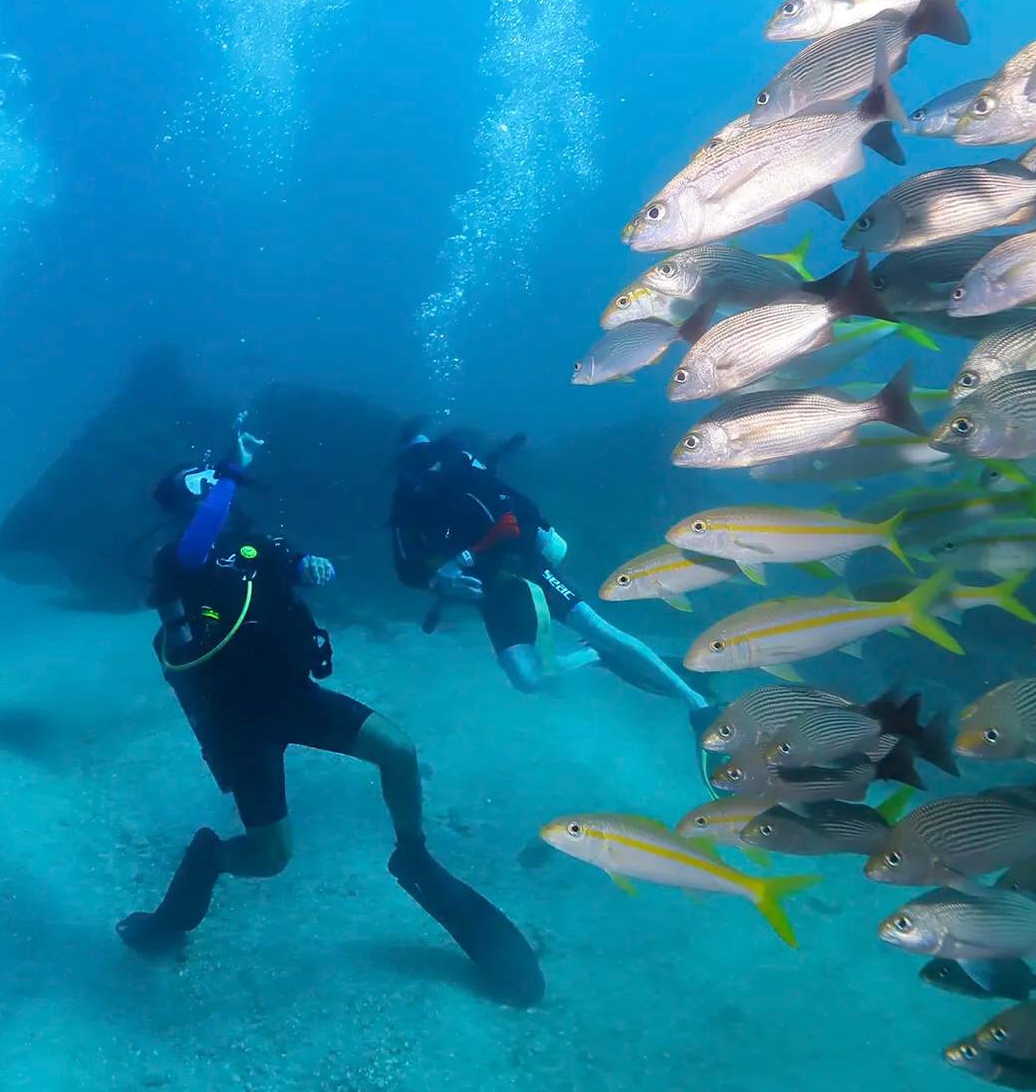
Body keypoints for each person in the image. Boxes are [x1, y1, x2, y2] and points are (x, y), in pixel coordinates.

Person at [117, 414, 543, 1005]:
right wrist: (232, 470)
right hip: (238, 722)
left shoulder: (255, 545)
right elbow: (196, 550)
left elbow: (299, 565)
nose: (217, 488)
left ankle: (413, 854)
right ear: (188, 501)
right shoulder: (175, 559)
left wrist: (317, 567)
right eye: (205, 483)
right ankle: (210, 857)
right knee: (270, 859)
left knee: (398, 750)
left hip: (294, 696)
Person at [390, 428, 714, 730]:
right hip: (491, 595)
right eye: (411, 465)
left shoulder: (470, 482)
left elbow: (517, 527)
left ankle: (696, 702)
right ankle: (593, 656)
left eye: (426, 459)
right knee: (527, 680)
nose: (423, 471)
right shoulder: (405, 509)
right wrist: (437, 582)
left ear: (438, 455)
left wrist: (464, 560)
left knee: (599, 629)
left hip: (526, 569)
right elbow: (407, 569)